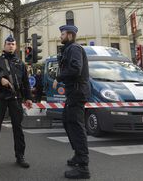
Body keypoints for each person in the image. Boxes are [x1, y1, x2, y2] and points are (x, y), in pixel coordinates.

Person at [0, 34, 33, 171]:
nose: (10, 46)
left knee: (18, 128)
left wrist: (28, 97)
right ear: (4, 46)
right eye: (8, 44)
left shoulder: (20, 63)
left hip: (15, 98)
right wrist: (0, 80)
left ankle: (20, 156)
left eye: (13, 44)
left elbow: (25, 83)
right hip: (0, 97)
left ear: (15, 46)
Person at [52, 25, 91, 179]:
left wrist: (59, 77)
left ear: (70, 35)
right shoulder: (69, 49)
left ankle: (83, 167)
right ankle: (78, 155)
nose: (60, 36)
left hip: (76, 92)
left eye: (62, 34)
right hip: (73, 92)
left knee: (76, 126)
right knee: (68, 122)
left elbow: (76, 69)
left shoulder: (74, 48)